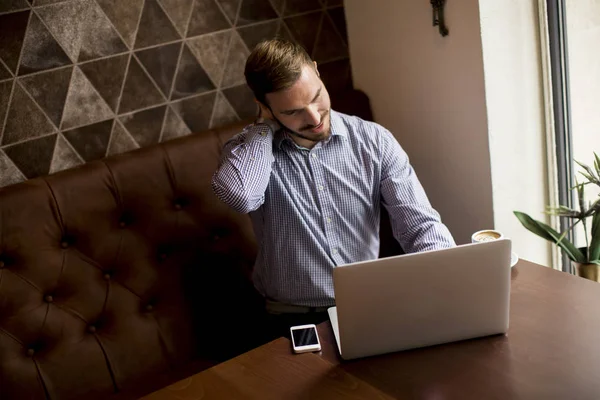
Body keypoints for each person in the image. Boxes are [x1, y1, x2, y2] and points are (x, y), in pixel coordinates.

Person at [212, 39, 455, 338]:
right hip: (289, 320)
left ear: (316, 70)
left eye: (317, 97)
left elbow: (420, 227)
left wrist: (445, 280)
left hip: (367, 307)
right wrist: (264, 127)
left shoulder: (374, 141)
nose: (314, 118)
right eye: (292, 111)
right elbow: (242, 196)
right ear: (266, 107)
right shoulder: (250, 152)